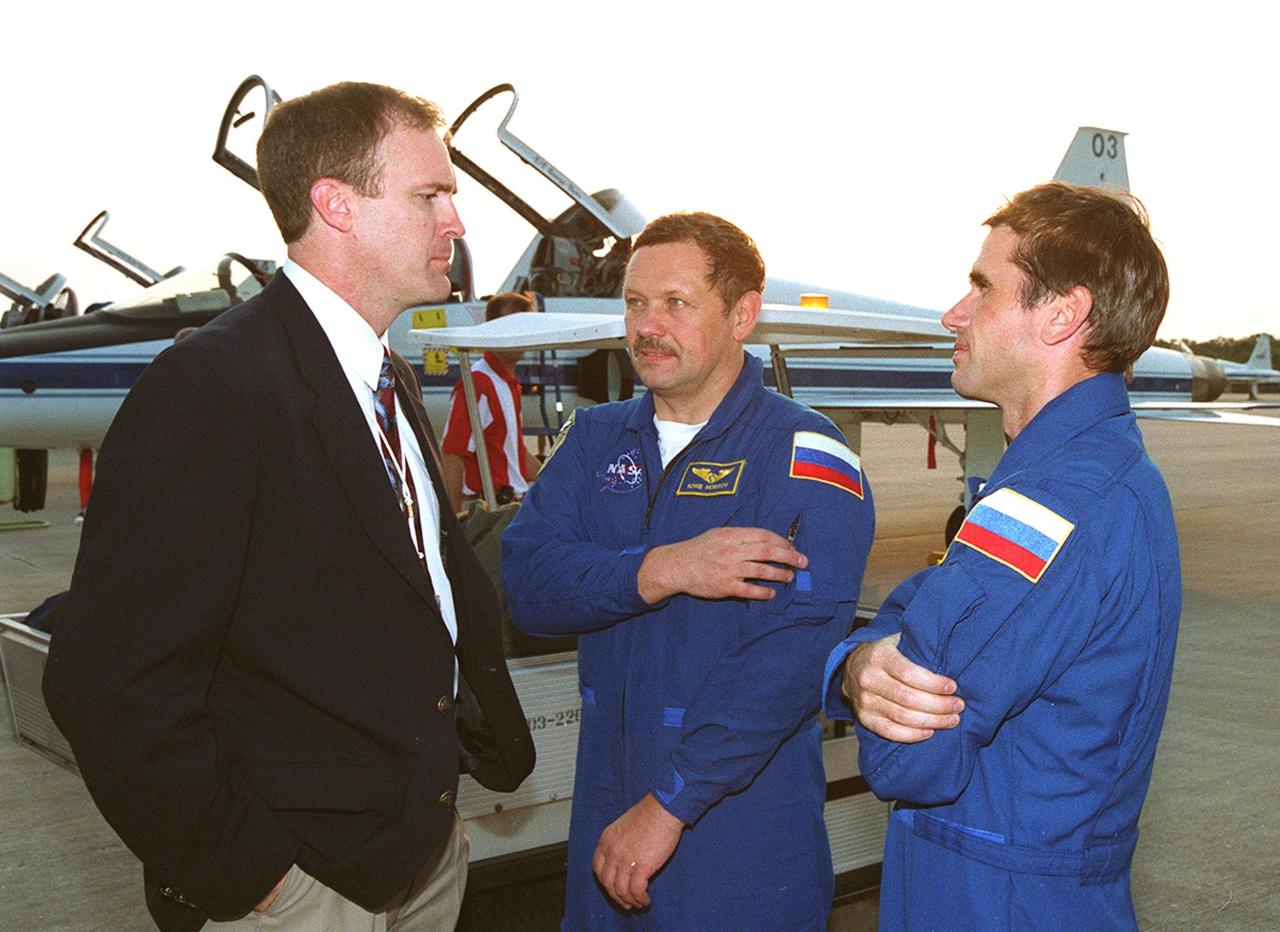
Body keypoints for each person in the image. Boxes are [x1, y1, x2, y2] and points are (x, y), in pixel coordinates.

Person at [42, 82, 534, 932]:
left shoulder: (382, 378)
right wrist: (261, 881)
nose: (455, 221)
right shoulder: (216, 384)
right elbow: (108, 682)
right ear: (336, 205)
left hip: (419, 855)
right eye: (430, 195)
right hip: (303, 886)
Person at [503, 212, 875, 929]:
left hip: (738, 839)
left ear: (742, 314)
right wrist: (664, 568)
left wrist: (669, 802)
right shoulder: (595, 440)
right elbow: (528, 587)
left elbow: (788, 663)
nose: (647, 326)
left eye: (676, 303)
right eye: (635, 303)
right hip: (606, 822)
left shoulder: (804, 452)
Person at [823, 182, 1179, 930]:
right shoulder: (1088, 473)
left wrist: (858, 664)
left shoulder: (1053, 503)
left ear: (1061, 315)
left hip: (996, 902)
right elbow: (928, 616)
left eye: (983, 287)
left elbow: (906, 757)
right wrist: (862, 661)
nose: (954, 314)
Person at [441, 290, 540, 510]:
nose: (518, 336)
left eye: (523, 328)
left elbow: (513, 452)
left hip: (508, 505)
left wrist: (556, 478)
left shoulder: (507, 383)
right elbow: (452, 453)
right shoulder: (480, 382)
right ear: (491, 329)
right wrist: (454, 520)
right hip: (489, 510)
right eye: (509, 327)